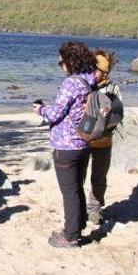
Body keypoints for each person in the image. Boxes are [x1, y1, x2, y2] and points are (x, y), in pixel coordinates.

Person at [34, 41, 98, 248]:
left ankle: (71, 236)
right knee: (77, 187)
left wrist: (41, 110)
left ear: (70, 61)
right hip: (84, 141)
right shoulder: (90, 79)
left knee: (69, 192)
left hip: (66, 144)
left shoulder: (71, 83)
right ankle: (76, 227)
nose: (60, 65)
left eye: (61, 61)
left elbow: (56, 113)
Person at [86, 50, 121, 225]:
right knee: (79, 175)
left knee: (99, 177)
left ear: (104, 72)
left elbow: (118, 113)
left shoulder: (112, 89)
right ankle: (79, 208)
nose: (92, 73)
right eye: (90, 68)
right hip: (83, 139)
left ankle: (95, 208)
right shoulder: (84, 85)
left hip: (103, 140)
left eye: (96, 69)